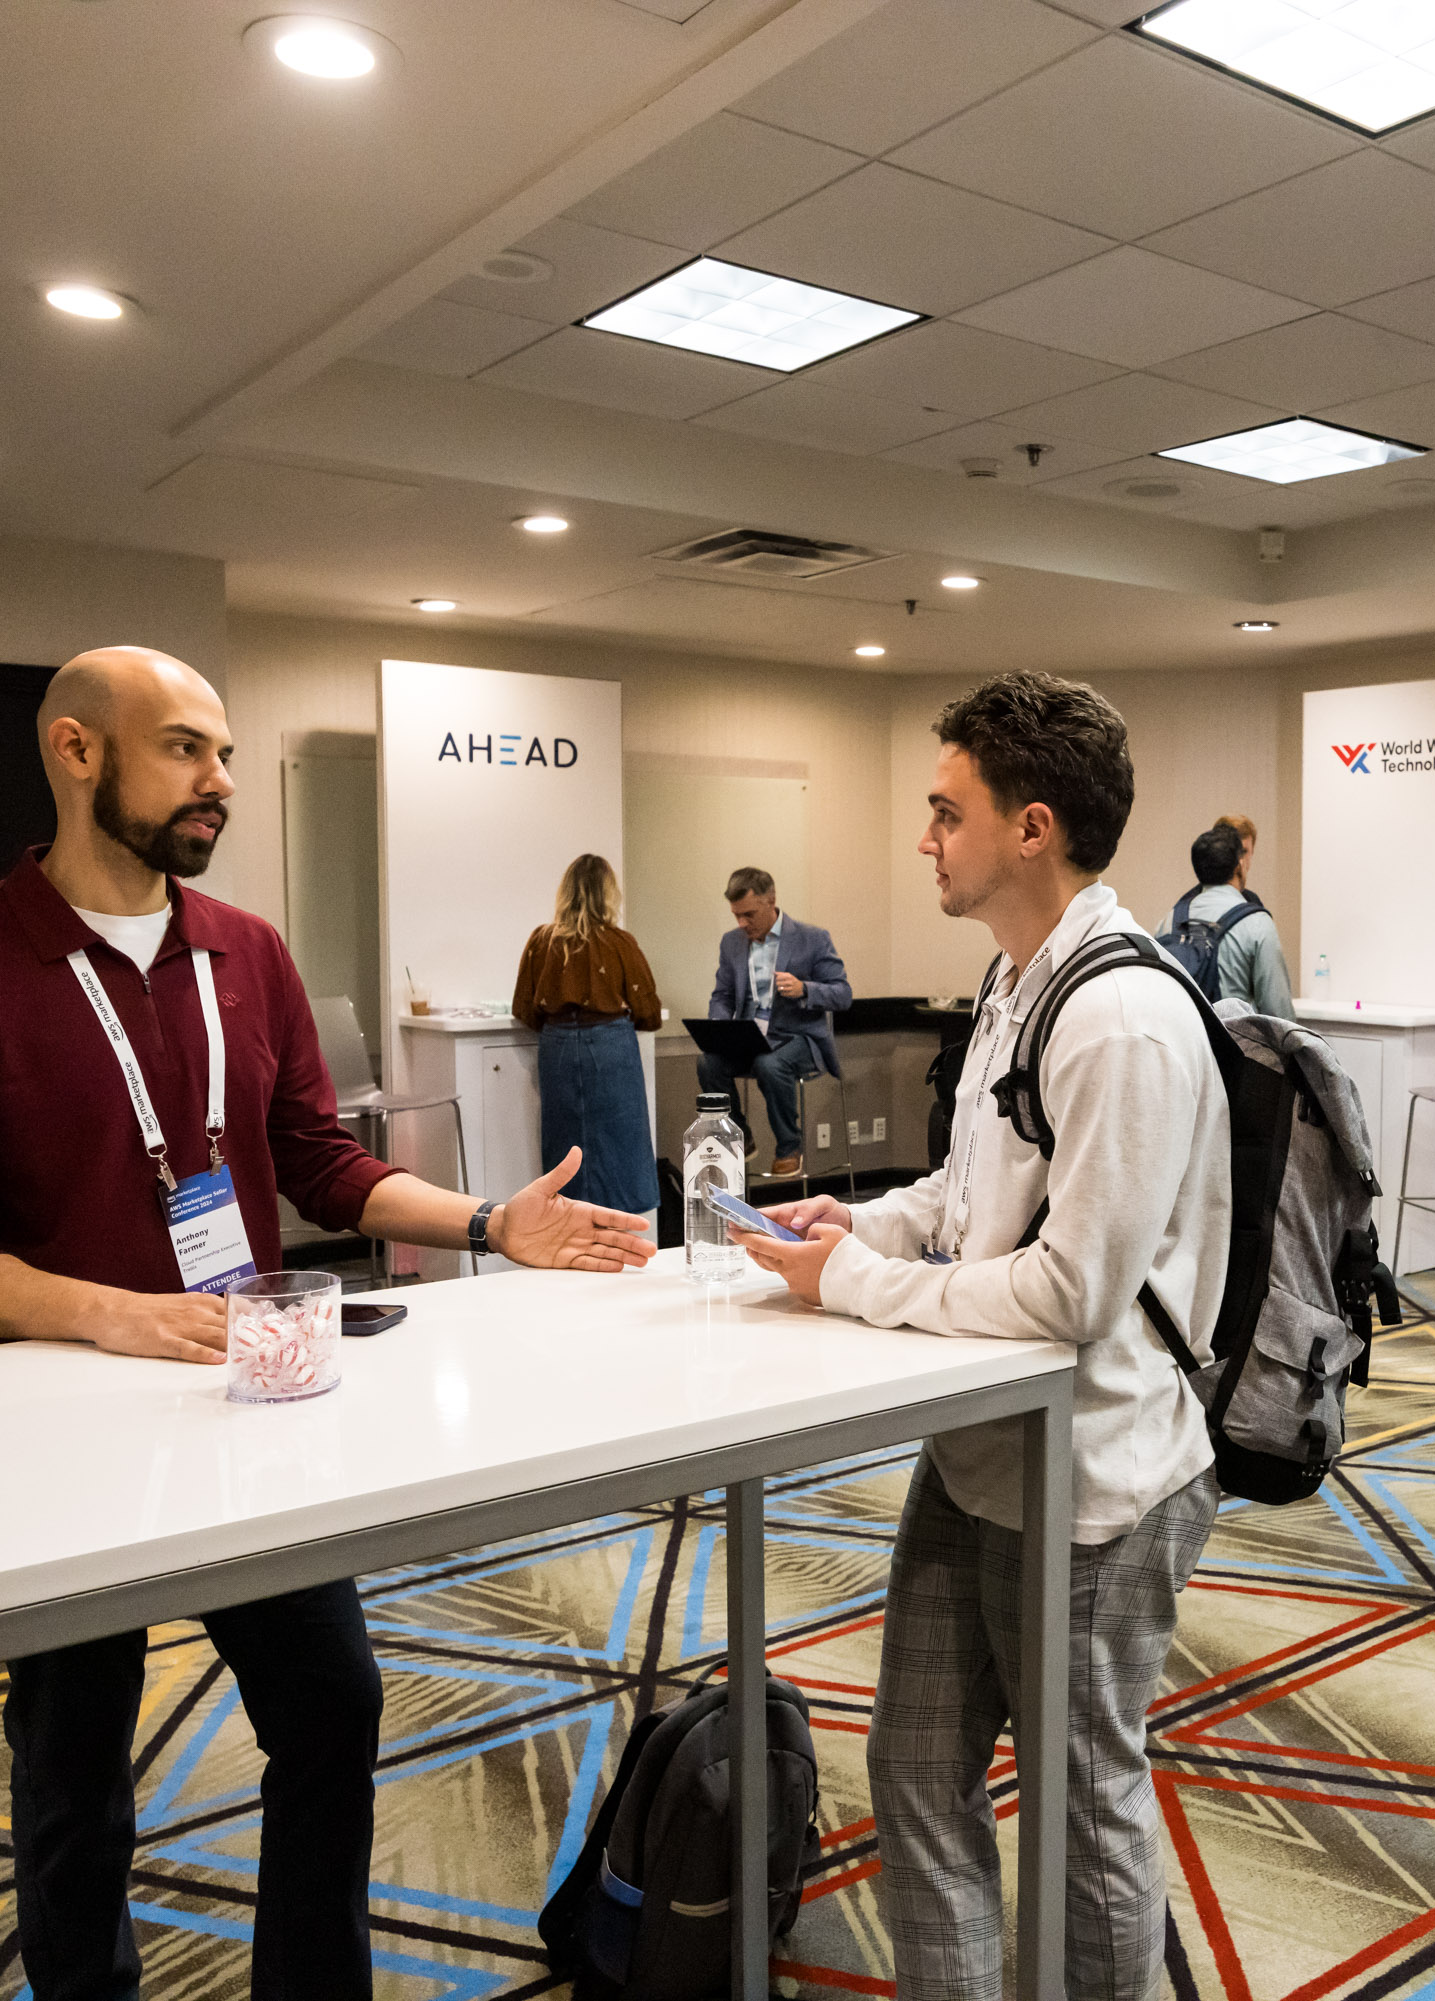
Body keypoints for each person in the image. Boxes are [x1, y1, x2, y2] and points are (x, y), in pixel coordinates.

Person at [0, 646, 652, 2001]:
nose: (220, 781)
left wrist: (487, 1223)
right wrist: (109, 1315)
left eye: (223, 752)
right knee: (73, 1763)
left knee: (332, 1707)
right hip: (56, 1431)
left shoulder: (247, 952)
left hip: (249, 1408)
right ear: (75, 753)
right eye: (184, 749)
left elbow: (318, 1160)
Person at [734, 672, 1229, 2001]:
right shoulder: (1023, 980)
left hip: (1098, 1481)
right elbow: (973, 1194)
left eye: (945, 811)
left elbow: (1070, 1293)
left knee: (1085, 1805)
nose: (924, 838)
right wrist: (869, 1224)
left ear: (1033, 826)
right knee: (914, 1769)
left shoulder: (1123, 1016)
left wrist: (846, 1284)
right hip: (983, 1457)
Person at [512, 853, 662, 1216]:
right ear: (607, 894)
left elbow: (525, 1009)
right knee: (622, 1145)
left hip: (557, 1048)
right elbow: (648, 1013)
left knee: (565, 1146)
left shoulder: (541, 941)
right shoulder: (619, 942)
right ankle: (619, 1237)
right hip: (611, 1048)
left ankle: (566, 1228)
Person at [697, 866, 850, 1179]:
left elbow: (842, 994)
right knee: (707, 1061)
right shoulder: (732, 943)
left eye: (749, 914)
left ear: (771, 900)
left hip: (799, 1038)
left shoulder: (813, 938)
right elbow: (722, 996)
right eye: (736, 915)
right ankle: (738, 1135)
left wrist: (804, 988)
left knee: (770, 1064)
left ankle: (789, 1147)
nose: (742, 923)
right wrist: (720, 1025)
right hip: (750, 1034)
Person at [1169, 823, 1292, 1018]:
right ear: (1240, 865)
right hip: (1234, 1045)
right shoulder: (1257, 923)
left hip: (1183, 1045)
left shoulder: (1171, 920)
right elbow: (1277, 1010)